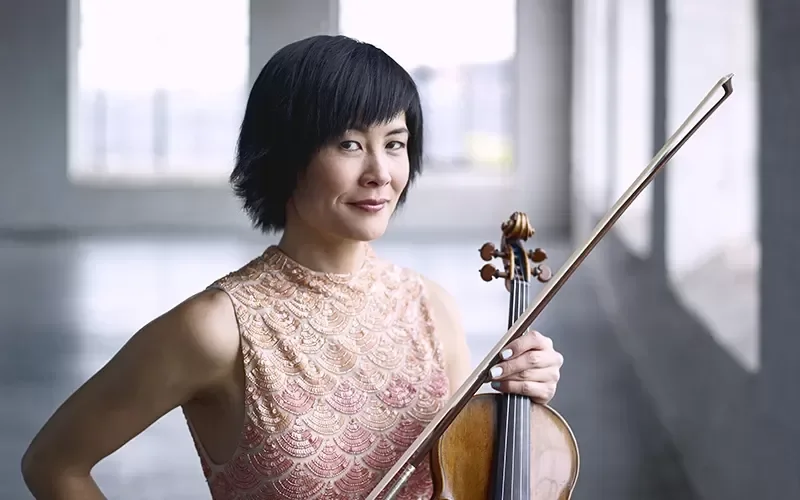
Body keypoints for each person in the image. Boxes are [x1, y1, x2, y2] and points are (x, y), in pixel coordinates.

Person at [21, 35, 565, 500]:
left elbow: (459, 479)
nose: (380, 172)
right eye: (349, 143)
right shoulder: (217, 328)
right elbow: (54, 464)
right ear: (287, 155)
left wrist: (520, 402)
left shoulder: (431, 307)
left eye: (395, 144)